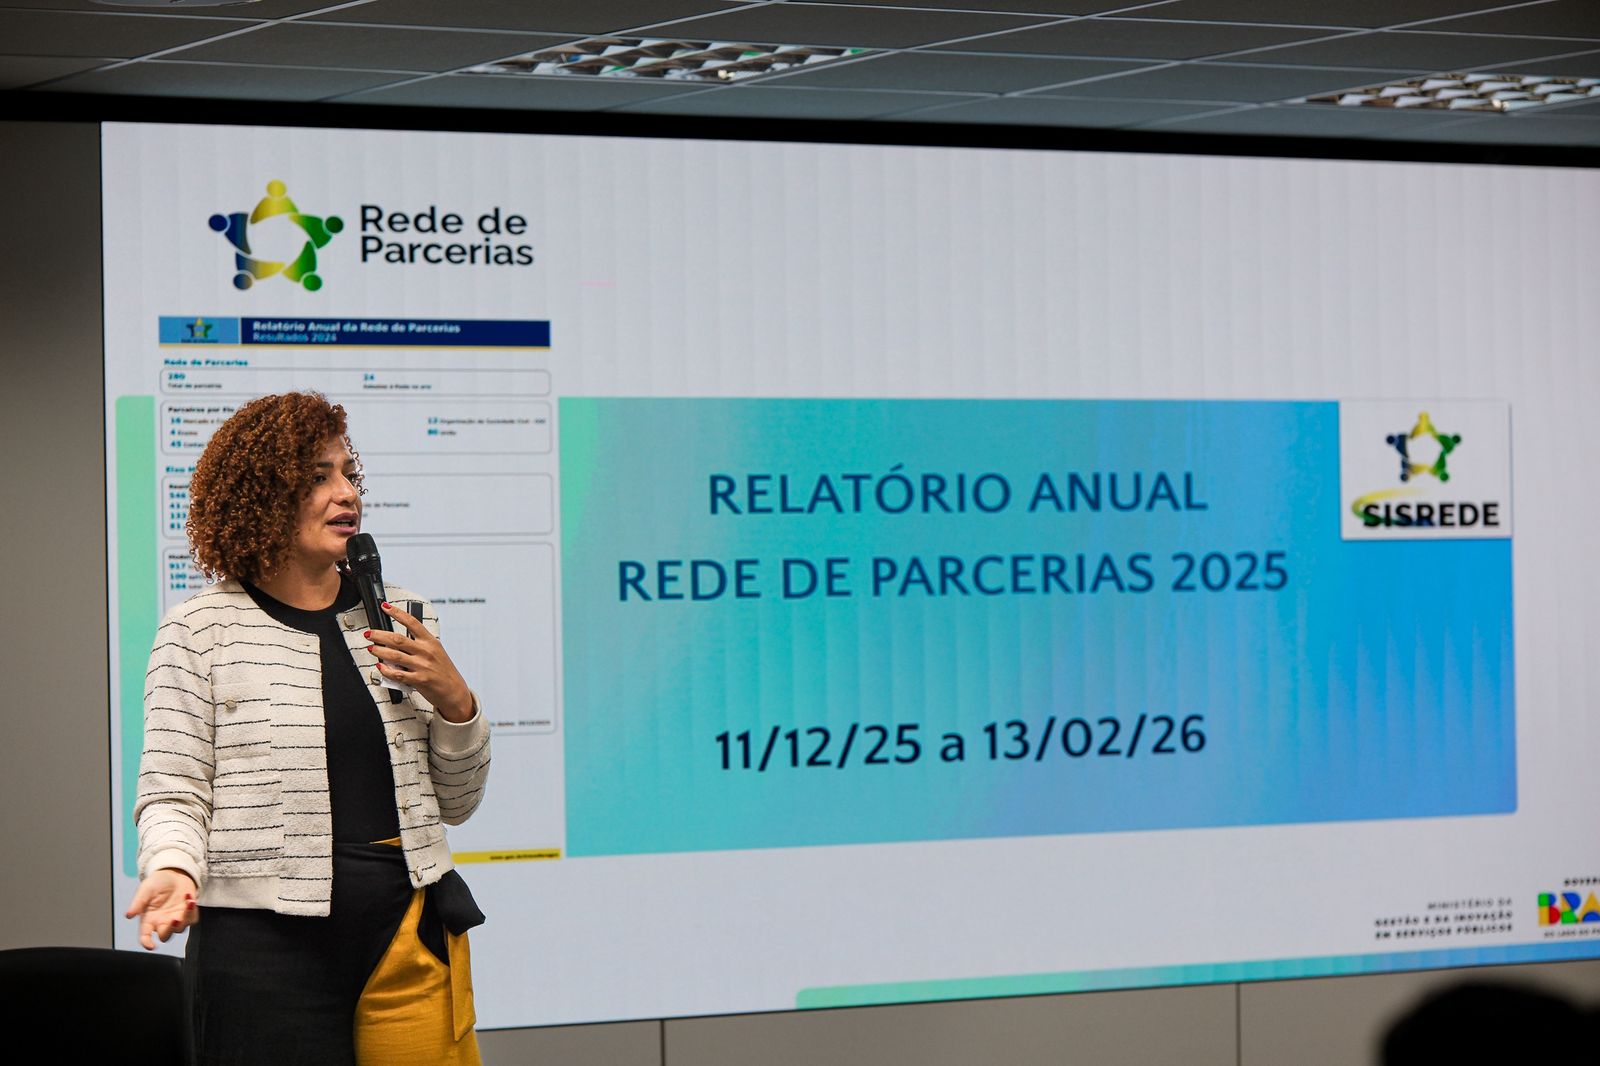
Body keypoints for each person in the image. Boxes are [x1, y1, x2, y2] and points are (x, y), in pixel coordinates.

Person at [125, 392, 492, 1065]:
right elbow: (174, 791)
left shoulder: (404, 616)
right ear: (262, 496)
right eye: (318, 477)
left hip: (408, 932)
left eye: (349, 473)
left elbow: (458, 804)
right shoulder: (198, 631)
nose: (346, 493)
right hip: (261, 952)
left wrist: (455, 702)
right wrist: (173, 866)